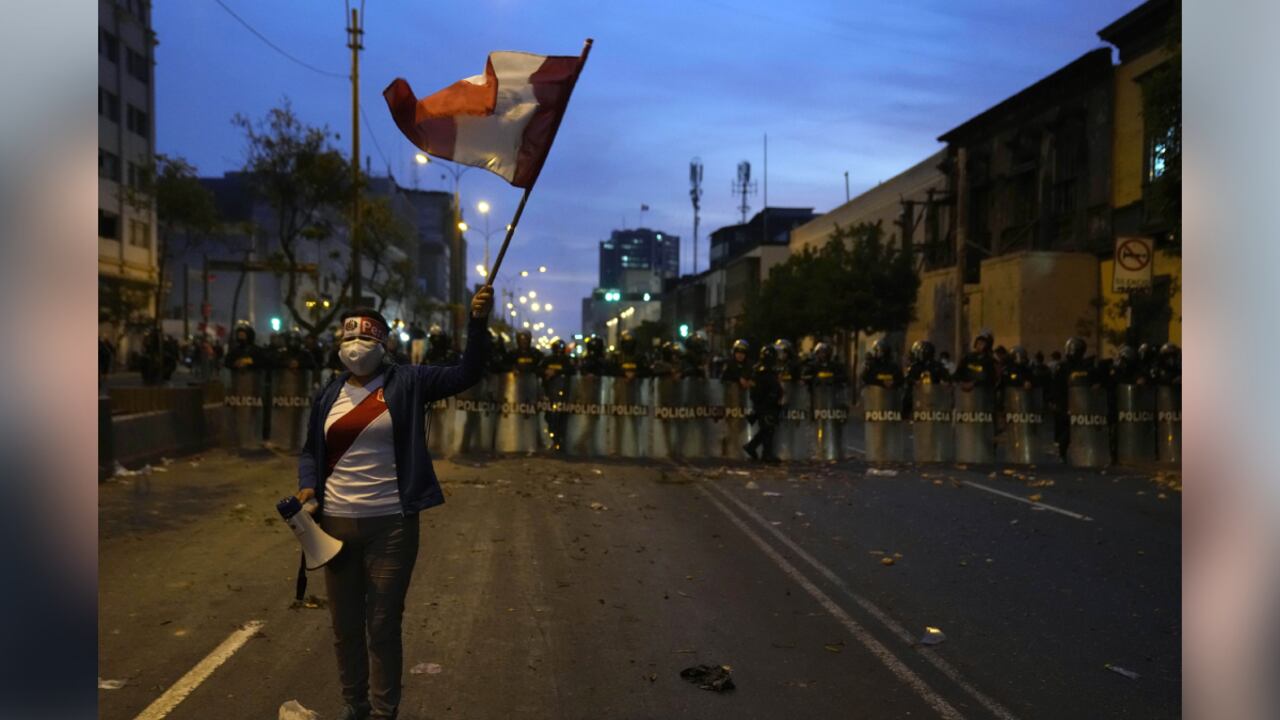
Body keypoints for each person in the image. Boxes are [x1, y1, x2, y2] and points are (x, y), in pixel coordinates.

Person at [295, 287, 493, 720]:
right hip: (334, 528)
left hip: (392, 526)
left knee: (382, 626)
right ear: (338, 344)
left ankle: (385, 712)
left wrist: (477, 324)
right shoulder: (327, 394)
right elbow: (310, 450)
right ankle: (355, 705)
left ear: (383, 344)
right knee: (345, 628)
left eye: (365, 340)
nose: (356, 348)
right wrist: (308, 486)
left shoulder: (411, 382)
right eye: (348, 340)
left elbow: (468, 372)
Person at [1050, 336, 1100, 462]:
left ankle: (1084, 452)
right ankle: (1062, 452)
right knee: (1066, 428)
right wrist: (1057, 402)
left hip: (1082, 403)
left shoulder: (1087, 367)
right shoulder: (1062, 367)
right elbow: (1056, 386)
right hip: (1066, 402)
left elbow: (1094, 381)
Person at [743, 344, 783, 463]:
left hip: (766, 404)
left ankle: (753, 448)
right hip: (766, 405)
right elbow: (766, 389)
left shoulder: (761, 369)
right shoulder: (765, 371)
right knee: (768, 429)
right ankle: (765, 454)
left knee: (767, 429)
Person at [539, 339, 575, 451]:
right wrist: (545, 372)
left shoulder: (567, 360)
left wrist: (556, 372)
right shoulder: (548, 360)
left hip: (563, 394)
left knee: (562, 419)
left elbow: (572, 370)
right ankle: (553, 441)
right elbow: (538, 369)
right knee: (550, 417)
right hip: (549, 394)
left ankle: (560, 442)